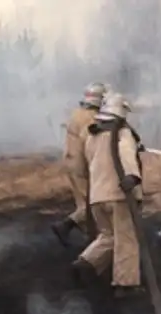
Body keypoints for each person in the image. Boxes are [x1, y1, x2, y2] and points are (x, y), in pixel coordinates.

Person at [71, 93, 145, 298]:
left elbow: (91, 163)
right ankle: (126, 284)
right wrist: (132, 176)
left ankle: (85, 263)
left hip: (97, 198)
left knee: (108, 236)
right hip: (119, 196)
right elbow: (125, 152)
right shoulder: (122, 133)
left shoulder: (92, 137)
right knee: (126, 239)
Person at [50, 82, 108, 247]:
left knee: (81, 202)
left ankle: (89, 239)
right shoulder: (91, 119)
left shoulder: (77, 113)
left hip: (70, 160)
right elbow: (90, 142)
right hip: (81, 164)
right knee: (91, 203)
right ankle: (65, 226)